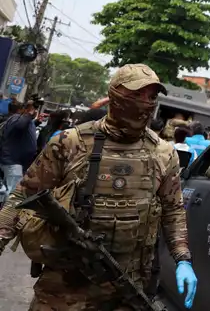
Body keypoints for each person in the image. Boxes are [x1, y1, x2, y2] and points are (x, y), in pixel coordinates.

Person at [0, 63, 198, 309]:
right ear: (115, 94)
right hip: (64, 289)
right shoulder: (70, 143)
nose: (145, 103)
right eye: (137, 94)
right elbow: (22, 196)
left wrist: (183, 259)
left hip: (126, 290)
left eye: (152, 97)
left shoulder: (163, 153)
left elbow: (173, 210)